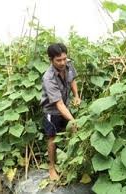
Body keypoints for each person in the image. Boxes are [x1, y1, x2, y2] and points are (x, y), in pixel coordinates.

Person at [40, 43, 81, 180]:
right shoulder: (48, 77)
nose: (63, 62)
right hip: (52, 110)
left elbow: (72, 80)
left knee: (73, 133)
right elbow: (58, 104)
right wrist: (73, 120)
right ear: (51, 60)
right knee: (52, 138)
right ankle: (51, 168)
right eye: (58, 60)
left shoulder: (68, 64)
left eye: (64, 58)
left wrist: (76, 95)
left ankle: (72, 163)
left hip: (65, 105)